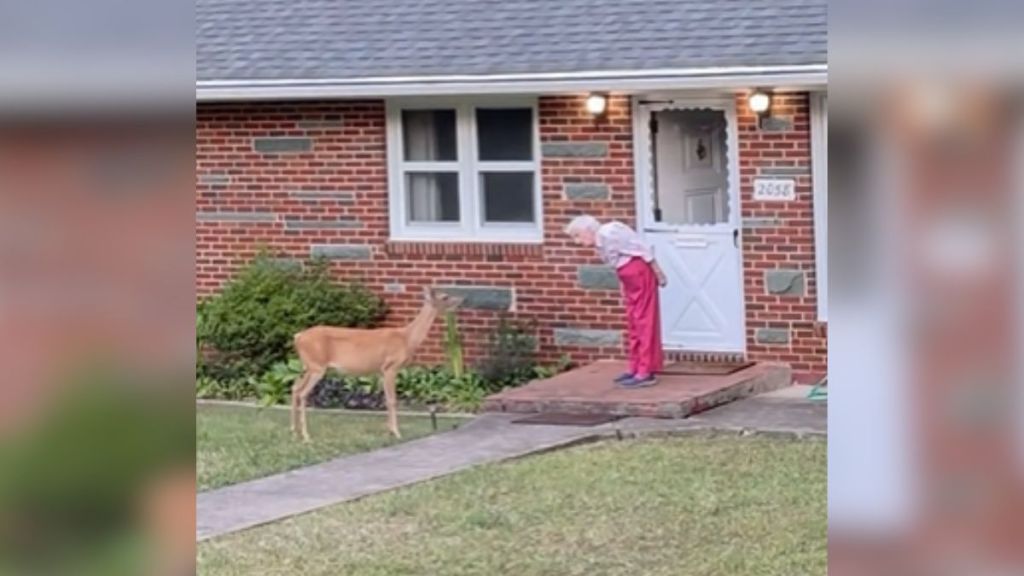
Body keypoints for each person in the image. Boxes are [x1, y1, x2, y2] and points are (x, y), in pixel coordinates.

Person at [565, 215, 666, 387]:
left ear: (587, 230)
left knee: (644, 321)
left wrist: (658, 272)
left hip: (639, 273)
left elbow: (642, 248)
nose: (577, 241)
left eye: (577, 235)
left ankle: (646, 370)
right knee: (634, 322)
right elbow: (617, 263)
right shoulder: (601, 241)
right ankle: (635, 367)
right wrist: (622, 285)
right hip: (628, 277)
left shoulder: (611, 231)